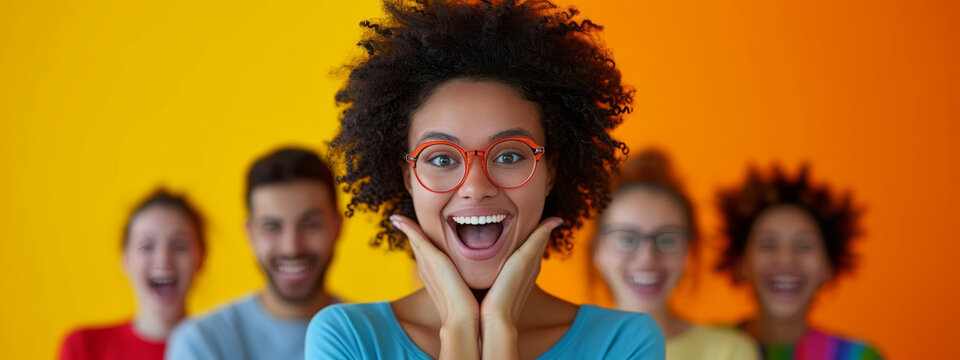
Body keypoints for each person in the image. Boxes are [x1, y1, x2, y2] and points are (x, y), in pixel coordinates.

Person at [306, 0, 664, 359]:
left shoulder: (624, 343)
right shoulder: (348, 339)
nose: (476, 187)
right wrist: (460, 325)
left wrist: (499, 327)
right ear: (408, 178)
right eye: (442, 158)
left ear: (550, 172)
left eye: (509, 155)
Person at [166, 148, 342, 360]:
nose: (292, 248)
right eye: (271, 226)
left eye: (310, 224)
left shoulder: (372, 335)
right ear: (250, 233)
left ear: (338, 226)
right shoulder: (201, 341)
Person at [592, 149, 758, 360]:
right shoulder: (565, 351)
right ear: (598, 249)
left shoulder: (731, 352)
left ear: (688, 250)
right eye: (627, 238)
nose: (647, 258)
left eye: (667, 240)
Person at [715, 165, 882, 359]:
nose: (785, 259)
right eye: (768, 244)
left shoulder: (859, 356)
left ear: (828, 266)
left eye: (804, 246)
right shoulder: (700, 347)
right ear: (741, 262)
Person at [59, 189, 207, 360]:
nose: (163, 260)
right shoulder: (83, 347)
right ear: (126, 258)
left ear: (201, 257)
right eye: (146, 246)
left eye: (179, 246)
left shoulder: (222, 347)